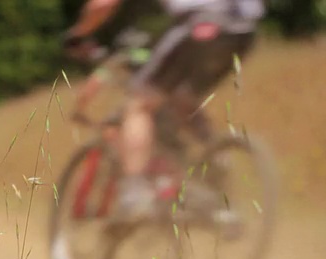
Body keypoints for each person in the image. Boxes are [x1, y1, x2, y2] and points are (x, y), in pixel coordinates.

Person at [63, 0, 264, 221]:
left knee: (139, 105)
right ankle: (217, 174)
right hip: (243, 33)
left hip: (198, 24)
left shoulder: (123, 54)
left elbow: (103, 4)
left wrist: (78, 32)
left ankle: (135, 194)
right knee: (183, 98)